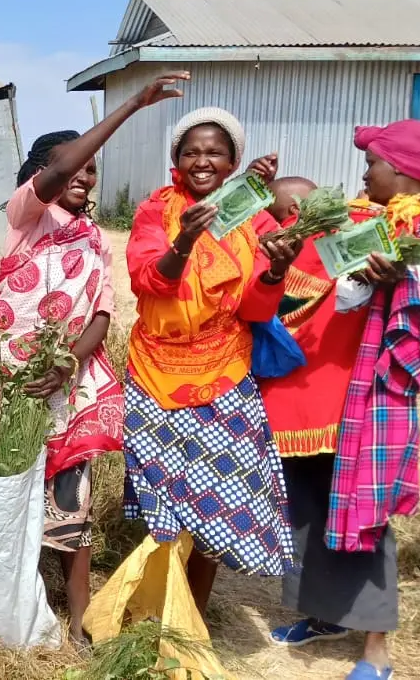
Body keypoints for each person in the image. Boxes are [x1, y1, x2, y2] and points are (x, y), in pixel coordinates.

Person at [0, 72, 187, 642]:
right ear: (40, 175)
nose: (84, 175)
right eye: (74, 166)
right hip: (6, 380)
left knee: (73, 498)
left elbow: (102, 315)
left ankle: (80, 617)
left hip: (69, 381)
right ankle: (7, 605)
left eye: (92, 169)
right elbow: (60, 170)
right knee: (9, 488)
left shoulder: (93, 237)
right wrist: (135, 103)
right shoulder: (27, 217)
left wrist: (68, 361)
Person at [268, 120, 420, 680]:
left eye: (373, 163)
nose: (364, 171)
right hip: (306, 386)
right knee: (307, 502)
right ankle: (322, 613)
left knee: (365, 509)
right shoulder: (353, 216)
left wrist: (393, 284)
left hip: (369, 392)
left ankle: (376, 648)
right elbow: (300, 282)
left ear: (402, 171)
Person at [121, 105, 302, 616]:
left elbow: (253, 308)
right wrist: (183, 241)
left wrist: (274, 273)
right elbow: (147, 281)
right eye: (192, 151)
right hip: (157, 374)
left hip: (225, 374)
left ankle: (191, 618)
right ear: (176, 160)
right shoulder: (156, 211)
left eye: (215, 152)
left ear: (232, 163)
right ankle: (155, 611)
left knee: (217, 507)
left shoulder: (254, 219)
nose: (203, 160)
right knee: (167, 508)